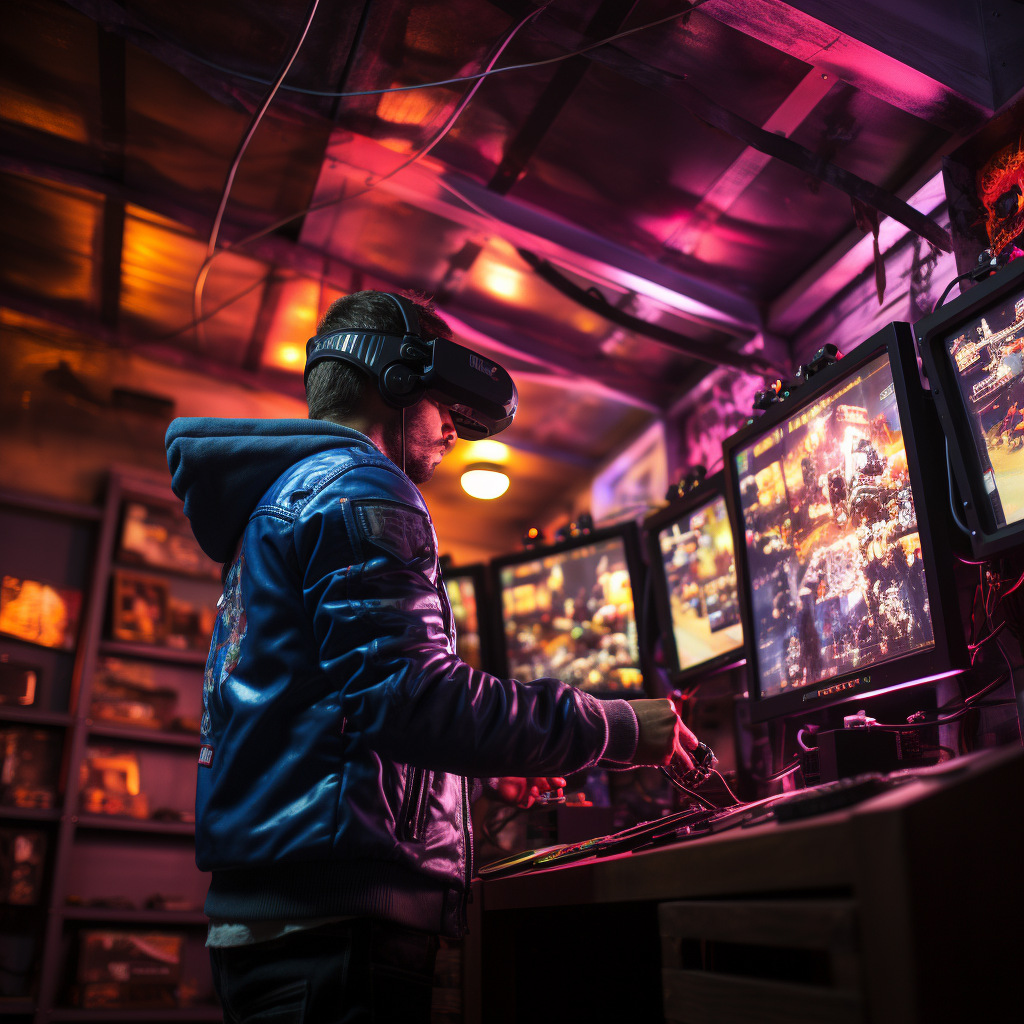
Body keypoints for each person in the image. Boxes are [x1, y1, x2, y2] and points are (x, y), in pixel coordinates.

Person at [165, 291, 697, 1023]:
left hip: (286, 920)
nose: (454, 427)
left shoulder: (287, 499)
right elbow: (407, 696)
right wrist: (617, 727)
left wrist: (467, 772)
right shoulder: (362, 486)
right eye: (443, 404)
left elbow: (336, 713)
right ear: (395, 381)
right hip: (339, 923)